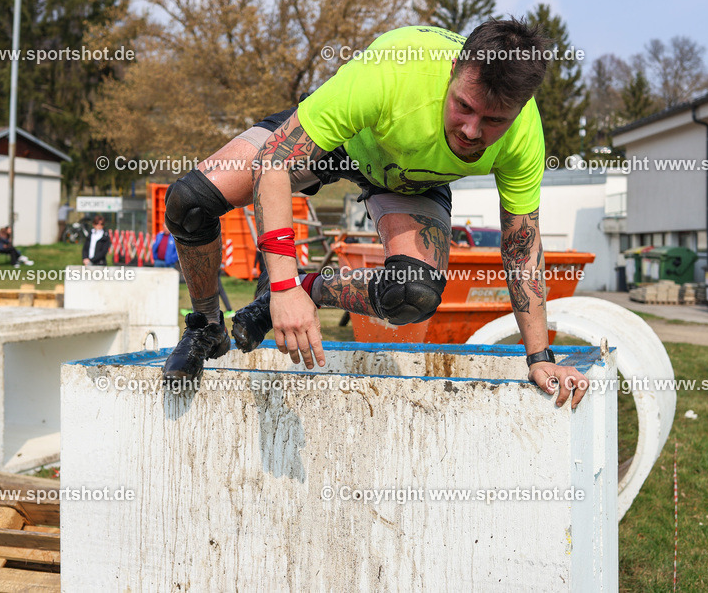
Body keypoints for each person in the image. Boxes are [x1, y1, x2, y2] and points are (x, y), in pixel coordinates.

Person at [160, 20, 589, 409]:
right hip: (342, 146)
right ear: (454, 69)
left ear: (519, 108)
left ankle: (307, 289)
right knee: (188, 203)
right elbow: (274, 163)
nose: (472, 131)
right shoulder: (394, 70)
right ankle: (205, 325)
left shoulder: (524, 135)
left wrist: (540, 356)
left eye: (493, 120)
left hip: (407, 183)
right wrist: (283, 278)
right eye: (463, 106)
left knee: (413, 295)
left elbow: (521, 247)